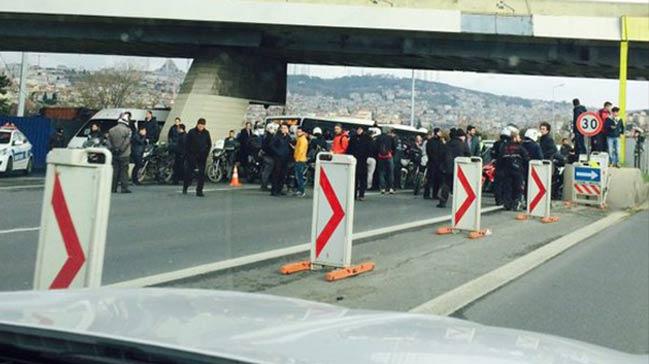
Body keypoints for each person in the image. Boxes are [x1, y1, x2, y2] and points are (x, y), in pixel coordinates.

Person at [437, 129, 471, 208]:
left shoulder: (448, 144)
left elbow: (441, 156)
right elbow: (468, 155)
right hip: (460, 168)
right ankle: (460, 203)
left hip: (448, 168)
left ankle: (442, 202)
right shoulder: (463, 145)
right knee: (460, 185)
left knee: (446, 185)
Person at [498, 129, 529, 211]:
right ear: (514, 138)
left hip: (506, 171)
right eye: (518, 137)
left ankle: (507, 204)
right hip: (517, 171)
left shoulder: (504, 147)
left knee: (507, 188)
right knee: (518, 188)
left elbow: (500, 160)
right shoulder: (520, 148)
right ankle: (516, 204)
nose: (520, 138)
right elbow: (526, 159)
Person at [183, 118, 212, 197]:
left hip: (202, 156)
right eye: (200, 126)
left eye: (202, 126)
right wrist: (188, 154)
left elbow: (209, 144)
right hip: (192, 155)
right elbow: (187, 144)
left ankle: (199, 191)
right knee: (189, 172)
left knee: (201, 174)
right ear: (197, 124)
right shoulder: (191, 132)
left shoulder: (206, 133)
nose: (201, 127)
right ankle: (185, 186)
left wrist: (206, 153)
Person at [107, 112, 133, 193]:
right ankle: (124, 188)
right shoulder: (128, 130)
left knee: (115, 171)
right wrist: (120, 149)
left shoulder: (111, 130)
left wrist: (113, 149)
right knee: (124, 171)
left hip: (114, 154)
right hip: (124, 154)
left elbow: (108, 142)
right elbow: (127, 142)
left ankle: (113, 188)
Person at [348, 126, 373, 200]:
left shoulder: (366, 138)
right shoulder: (354, 138)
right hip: (355, 160)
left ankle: (361, 194)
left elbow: (370, 149)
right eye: (358, 129)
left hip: (362, 160)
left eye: (360, 129)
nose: (359, 130)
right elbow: (349, 148)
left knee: (362, 179)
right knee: (355, 179)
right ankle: (354, 194)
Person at [491, 127, 512, 206]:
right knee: (507, 184)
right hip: (508, 167)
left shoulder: (497, 143)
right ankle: (506, 200)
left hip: (499, 166)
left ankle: (498, 200)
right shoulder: (511, 144)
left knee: (498, 184)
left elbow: (492, 154)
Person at [423, 127, 445, 201]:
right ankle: (426, 194)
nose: (440, 134)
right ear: (436, 133)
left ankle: (435, 194)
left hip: (439, 164)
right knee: (430, 179)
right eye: (439, 132)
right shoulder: (430, 142)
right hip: (432, 163)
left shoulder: (440, 142)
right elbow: (429, 152)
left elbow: (442, 152)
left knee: (437, 180)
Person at [270, 124, 291, 196]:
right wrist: (278, 152)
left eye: (286, 128)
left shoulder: (288, 137)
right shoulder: (277, 137)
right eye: (283, 128)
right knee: (276, 173)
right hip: (278, 158)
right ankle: (274, 190)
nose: (285, 129)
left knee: (283, 174)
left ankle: (279, 189)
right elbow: (271, 145)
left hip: (285, 158)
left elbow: (289, 146)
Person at [375, 127, 397, 194]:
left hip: (381, 157)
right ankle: (390, 188)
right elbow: (394, 147)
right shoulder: (390, 138)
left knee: (381, 173)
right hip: (389, 157)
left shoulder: (378, 138)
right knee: (390, 172)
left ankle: (382, 188)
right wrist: (392, 154)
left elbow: (375, 147)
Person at [260, 123, 278, 191]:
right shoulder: (269, 137)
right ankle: (264, 185)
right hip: (269, 156)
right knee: (267, 171)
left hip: (265, 155)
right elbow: (270, 147)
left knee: (265, 171)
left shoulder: (265, 136)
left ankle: (264, 184)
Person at [293, 127, 309, 197]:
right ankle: (299, 190)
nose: (298, 133)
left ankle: (301, 191)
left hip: (300, 159)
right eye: (297, 131)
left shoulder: (302, 140)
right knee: (299, 176)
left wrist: (297, 158)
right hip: (299, 159)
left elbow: (301, 150)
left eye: (299, 131)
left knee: (299, 176)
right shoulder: (300, 139)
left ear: (303, 132)